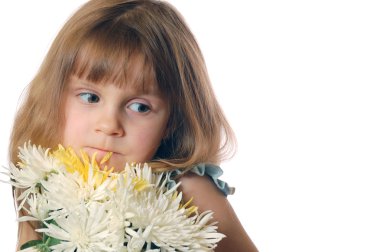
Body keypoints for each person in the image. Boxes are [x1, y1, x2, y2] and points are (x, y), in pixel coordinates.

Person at [9, 0, 258, 251]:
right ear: (55, 96)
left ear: (173, 120)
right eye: (90, 97)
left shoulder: (188, 189)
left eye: (140, 107)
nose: (109, 125)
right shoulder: (42, 180)